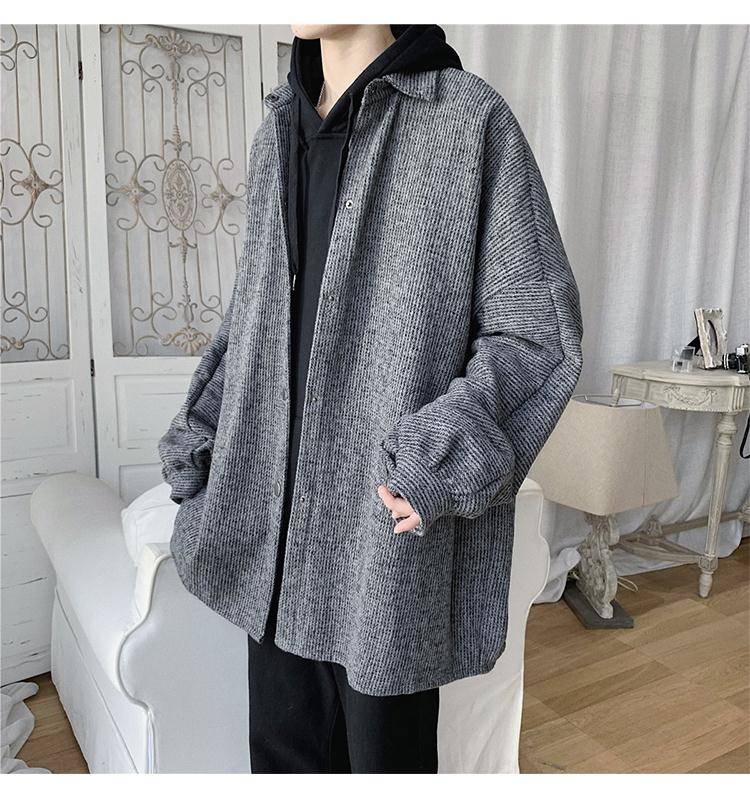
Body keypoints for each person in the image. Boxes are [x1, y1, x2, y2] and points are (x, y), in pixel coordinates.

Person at [158, 24, 583, 774]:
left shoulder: (467, 121)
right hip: (273, 545)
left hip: (379, 537)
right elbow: (253, 319)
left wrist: (438, 459)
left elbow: (536, 331)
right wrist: (204, 427)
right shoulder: (276, 134)